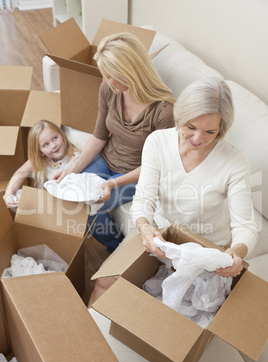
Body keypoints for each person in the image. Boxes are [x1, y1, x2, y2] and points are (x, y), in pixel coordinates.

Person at [53, 32, 176, 254]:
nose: (105, 82)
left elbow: (157, 166)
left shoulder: (164, 111)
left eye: (110, 76)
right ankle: (117, 246)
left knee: (90, 205)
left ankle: (119, 253)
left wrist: (113, 184)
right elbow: (99, 136)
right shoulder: (109, 91)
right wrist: (71, 170)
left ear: (130, 73)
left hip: (139, 174)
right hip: (105, 159)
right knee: (70, 193)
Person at [131, 77, 258, 278]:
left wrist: (237, 252)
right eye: (190, 127)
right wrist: (145, 228)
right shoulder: (157, 142)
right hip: (164, 237)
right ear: (180, 118)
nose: (198, 139)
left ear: (221, 129)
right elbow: (143, 199)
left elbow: (245, 227)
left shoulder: (235, 161)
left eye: (210, 131)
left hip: (208, 248)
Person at [3, 120, 79, 208]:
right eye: (46, 144)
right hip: (45, 202)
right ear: (40, 152)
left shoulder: (76, 158)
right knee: (16, 195)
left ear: (62, 135)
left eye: (55, 138)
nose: (53, 145)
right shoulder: (43, 159)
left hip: (67, 203)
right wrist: (9, 194)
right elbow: (20, 173)